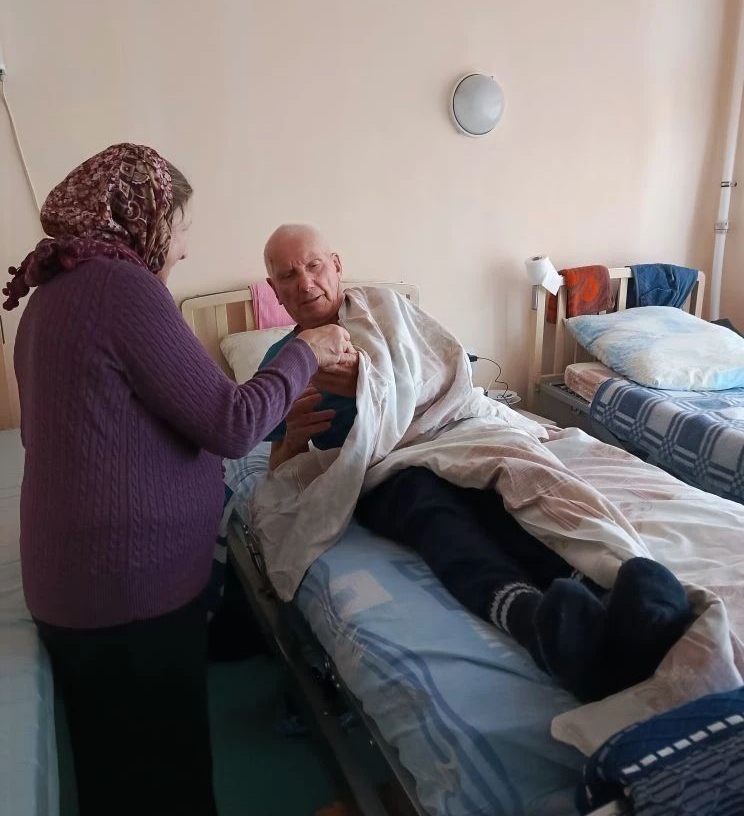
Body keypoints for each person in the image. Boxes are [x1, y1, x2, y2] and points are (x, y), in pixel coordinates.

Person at [7, 148, 353, 816]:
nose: (186, 246)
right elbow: (231, 423)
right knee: (168, 767)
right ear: (143, 216)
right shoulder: (122, 289)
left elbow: (106, 425)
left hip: (78, 586)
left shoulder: (56, 292)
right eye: (180, 224)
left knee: (116, 778)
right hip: (128, 592)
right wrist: (303, 352)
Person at [258, 223, 694, 704]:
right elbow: (280, 469)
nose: (305, 283)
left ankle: (606, 583)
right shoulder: (282, 364)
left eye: (314, 265)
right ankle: (534, 622)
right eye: (288, 276)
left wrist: (376, 381)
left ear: (337, 266)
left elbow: (448, 371)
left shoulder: (387, 310)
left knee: (513, 489)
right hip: (383, 467)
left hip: (455, 430)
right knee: (433, 514)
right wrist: (293, 436)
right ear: (275, 290)